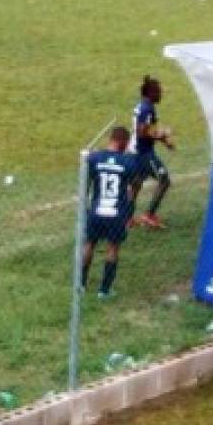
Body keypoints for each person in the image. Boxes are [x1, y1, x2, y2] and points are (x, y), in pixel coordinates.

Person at [80, 126, 137, 299]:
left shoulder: (95, 158)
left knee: (89, 244)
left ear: (110, 139)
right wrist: (129, 211)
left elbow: (86, 183)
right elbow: (132, 188)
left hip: (96, 211)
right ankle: (104, 290)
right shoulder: (128, 162)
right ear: (123, 142)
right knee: (112, 248)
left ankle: (80, 285)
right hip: (116, 213)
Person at [129, 75, 173, 229]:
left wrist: (165, 141)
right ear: (151, 93)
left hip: (135, 151)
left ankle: (126, 218)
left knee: (136, 184)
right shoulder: (147, 109)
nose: (161, 94)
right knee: (164, 180)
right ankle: (149, 215)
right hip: (144, 154)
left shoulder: (143, 106)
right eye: (158, 92)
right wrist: (163, 134)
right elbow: (143, 133)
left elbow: (148, 130)